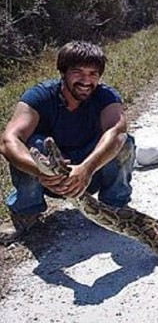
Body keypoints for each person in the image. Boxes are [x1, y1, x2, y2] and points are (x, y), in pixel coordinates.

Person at [0, 41, 135, 243]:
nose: (86, 80)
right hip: (47, 177)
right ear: (62, 73)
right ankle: (26, 213)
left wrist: (87, 169)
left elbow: (117, 132)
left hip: (90, 173)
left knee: (124, 142)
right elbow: (8, 141)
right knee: (32, 145)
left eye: (93, 74)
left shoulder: (105, 96)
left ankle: (114, 208)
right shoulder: (40, 96)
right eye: (77, 72)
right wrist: (41, 171)